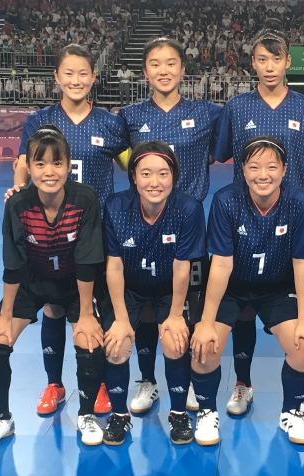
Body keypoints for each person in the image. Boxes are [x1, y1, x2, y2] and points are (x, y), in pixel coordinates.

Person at [212, 19, 304, 416]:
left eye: (275, 59)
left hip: (293, 224)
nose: (268, 66)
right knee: (242, 307)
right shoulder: (237, 107)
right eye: (261, 59)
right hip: (246, 223)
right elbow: (221, 154)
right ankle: (242, 383)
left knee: (298, 305)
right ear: (252, 62)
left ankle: (299, 400)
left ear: (288, 62)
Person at [8, 44, 130, 418]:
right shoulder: (40, 119)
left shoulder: (111, 123)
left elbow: (132, 162)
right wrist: (18, 188)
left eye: (83, 74)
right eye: (69, 74)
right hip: (51, 228)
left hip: (97, 227)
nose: (76, 81)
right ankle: (55, 383)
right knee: (54, 305)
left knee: (100, 304)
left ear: (94, 78)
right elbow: (24, 162)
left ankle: (103, 385)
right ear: (57, 77)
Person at [0, 126, 107, 452]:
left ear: (68, 165)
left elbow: (88, 260)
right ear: (28, 168)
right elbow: (14, 263)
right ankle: (2, 418)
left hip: (76, 285)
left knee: (90, 345)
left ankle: (86, 415)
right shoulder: (17, 204)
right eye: (41, 164)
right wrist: (5, 316)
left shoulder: (85, 198)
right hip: (32, 283)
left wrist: (87, 315)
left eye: (57, 163)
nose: (50, 171)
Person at [190, 136, 304, 446]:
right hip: (233, 287)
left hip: (278, 287)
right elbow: (220, 265)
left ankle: (292, 411)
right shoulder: (226, 200)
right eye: (254, 167)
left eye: (272, 167)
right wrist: (205, 322)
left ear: (285, 169)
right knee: (203, 350)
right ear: (242, 169)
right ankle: (207, 412)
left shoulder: (299, 201)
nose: (263, 175)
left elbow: (303, 262)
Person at [119, 37, 222, 416]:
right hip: (144, 225)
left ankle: (192, 377)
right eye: (155, 64)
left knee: (192, 302)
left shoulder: (208, 112)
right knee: (146, 306)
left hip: (190, 223)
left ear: (183, 68)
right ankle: (148, 380)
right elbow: (116, 157)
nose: (164, 70)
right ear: (145, 71)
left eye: (171, 63)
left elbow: (233, 142)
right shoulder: (128, 116)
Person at [101, 141, 206, 446]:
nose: (154, 182)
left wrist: (175, 315)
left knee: (175, 343)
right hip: (130, 285)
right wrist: (120, 319)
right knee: (116, 345)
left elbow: (183, 267)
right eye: (146, 173)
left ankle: (178, 413)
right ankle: (119, 417)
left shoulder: (188, 208)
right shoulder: (116, 207)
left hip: (169, 287)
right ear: (133, 176)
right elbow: (115, 268)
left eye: (163, 173)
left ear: (174, 175)